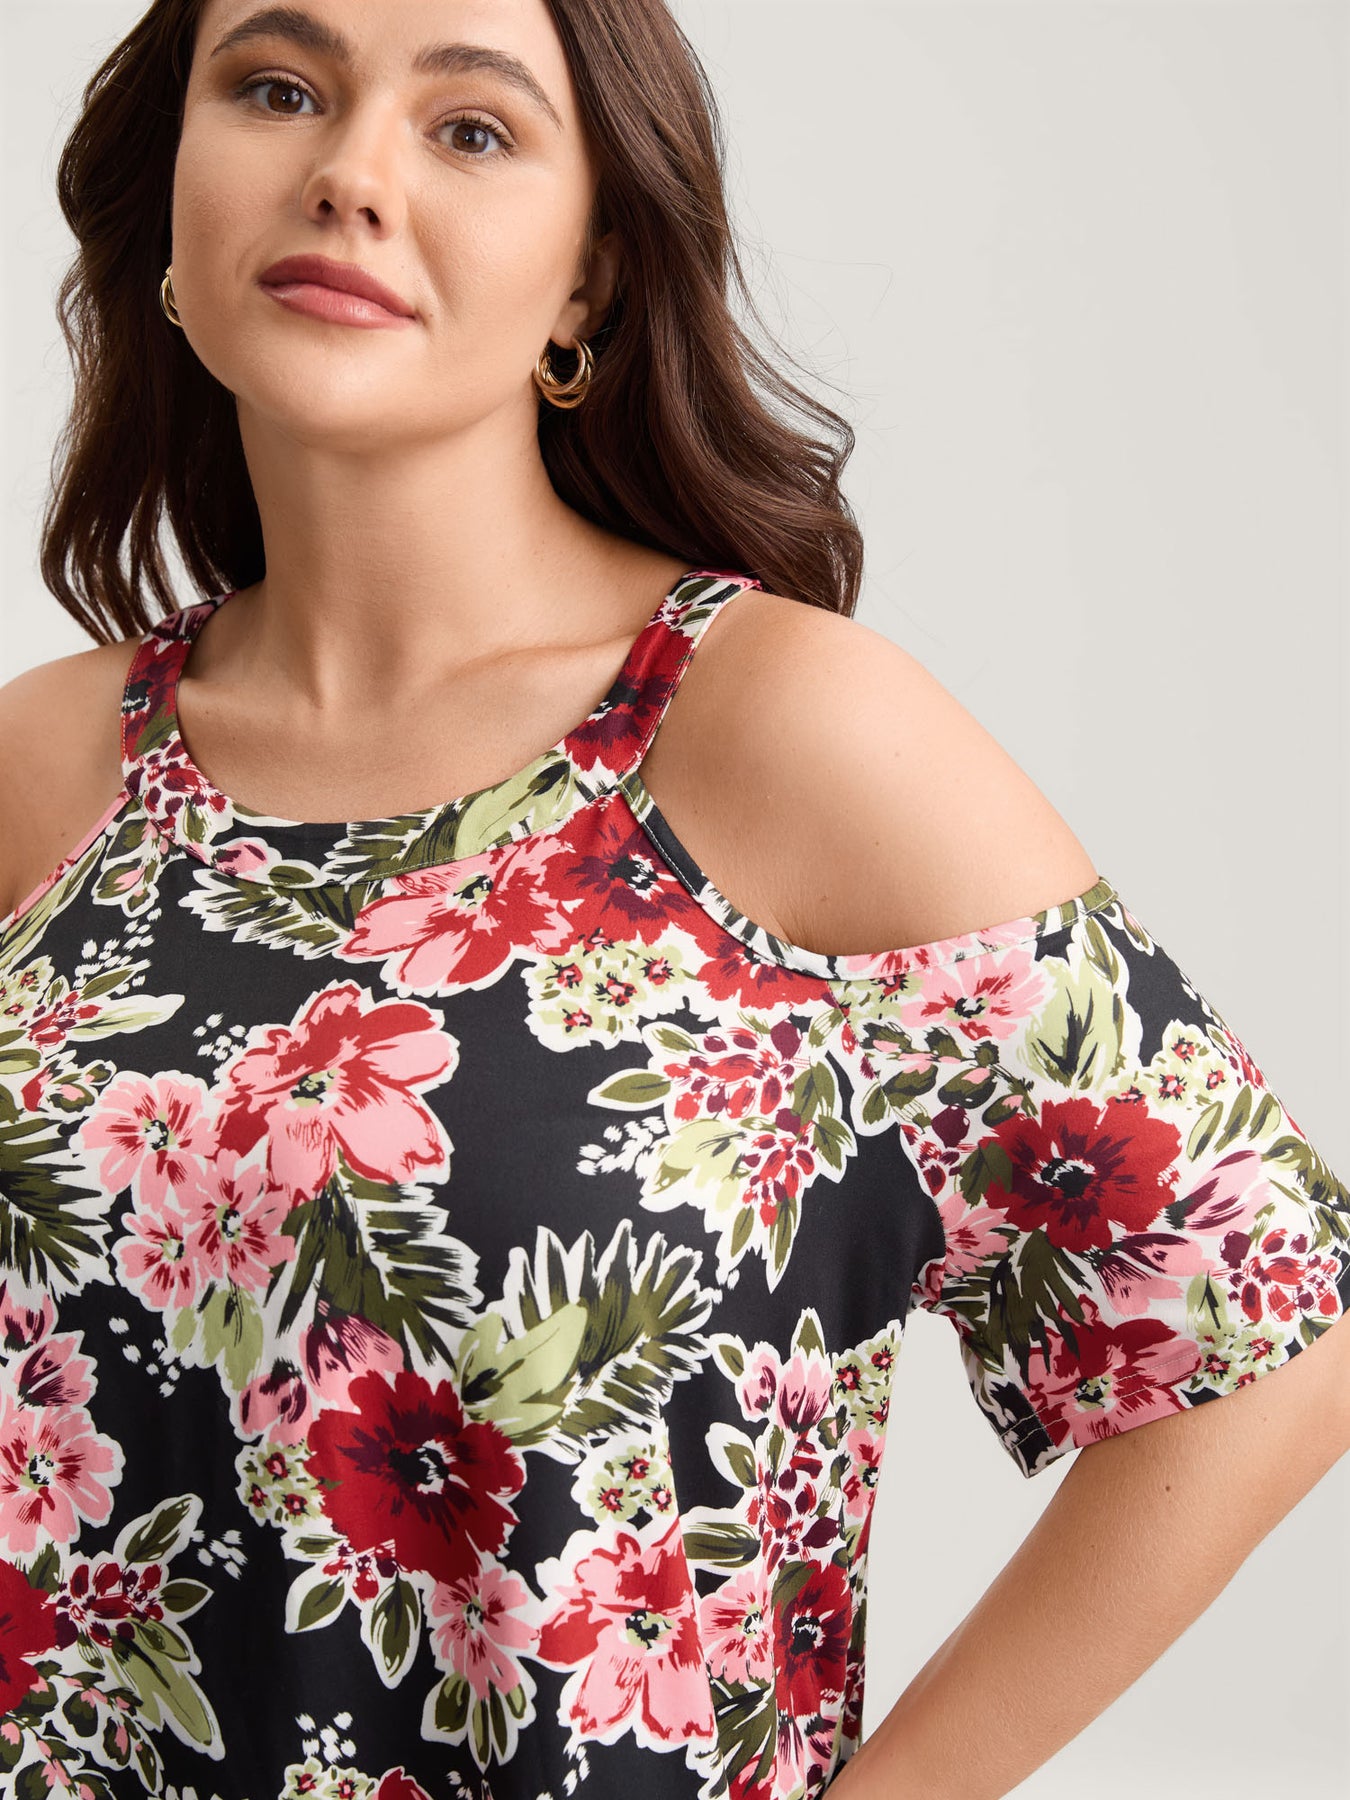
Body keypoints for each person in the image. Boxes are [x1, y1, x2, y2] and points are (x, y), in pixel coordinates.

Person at [0, 2, 1346, 1798]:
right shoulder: (45, 771)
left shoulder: (771, 732)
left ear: (589, 282)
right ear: (169, 191)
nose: (348, 172)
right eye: (276, 87)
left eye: (471, 128)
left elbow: (1268, 1338)